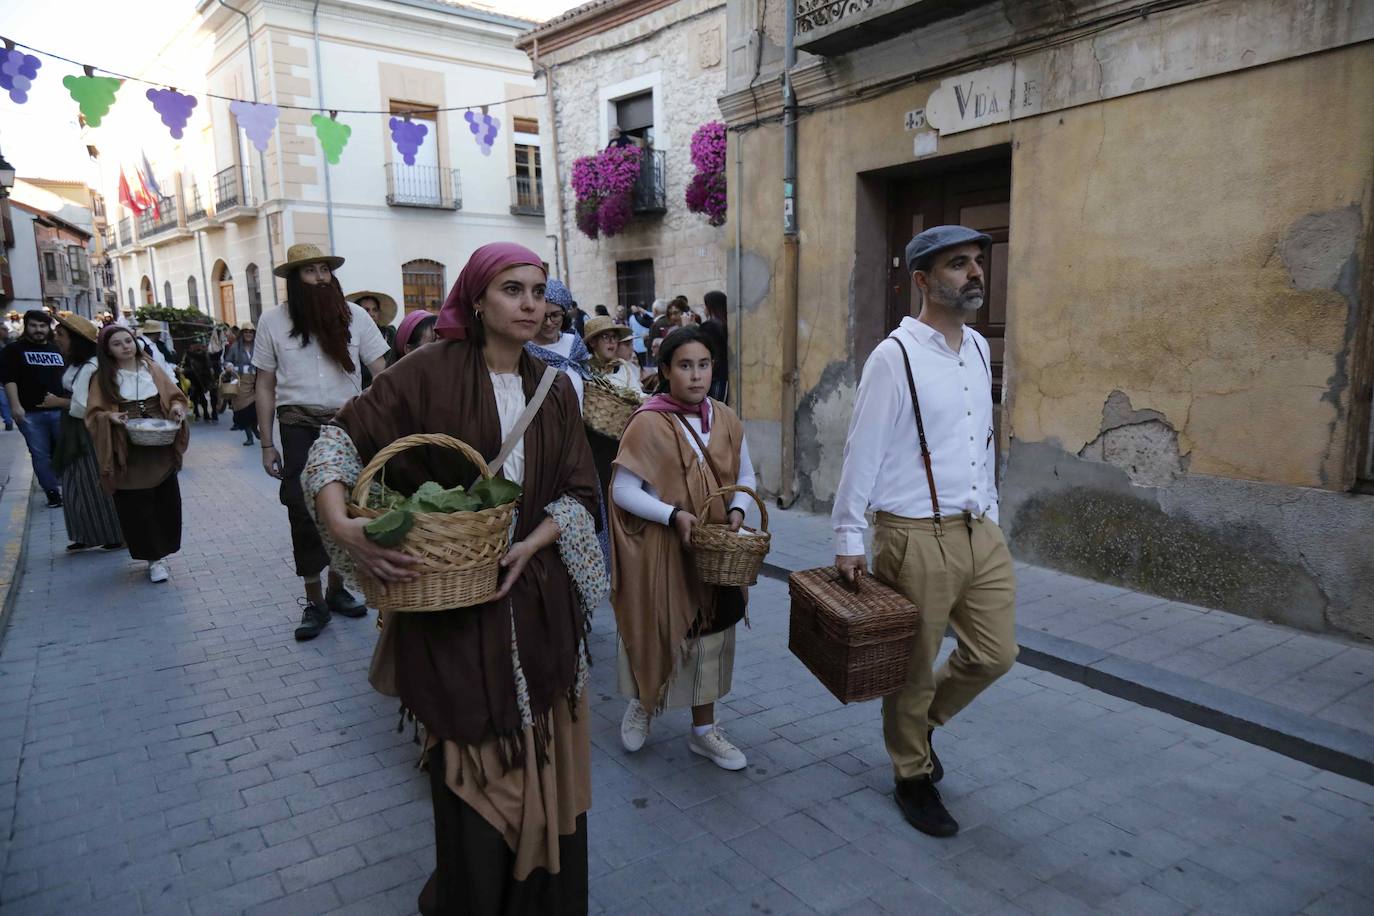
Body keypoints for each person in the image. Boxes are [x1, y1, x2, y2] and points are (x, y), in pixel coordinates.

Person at [303, 241, 606, 916]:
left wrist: (533, 542)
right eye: (512, 290)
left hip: (540, 603)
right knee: (470, 758)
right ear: (475, 298)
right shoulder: (425, 372)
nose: (530, 305)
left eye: (538, 291)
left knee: (543, 751)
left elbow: (581, 491)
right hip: (454, 605)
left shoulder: (555, 388)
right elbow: (338, 442)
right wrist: (342, 524)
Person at [831, 225, 1015, 839]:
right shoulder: (895, 356)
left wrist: (990, 510)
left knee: (995, 654)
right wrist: (848, 537)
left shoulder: (979, 347)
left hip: (978, 527)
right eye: (958, 264)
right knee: (912, 667)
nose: (975, 272)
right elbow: (862, 452)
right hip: (913, 532)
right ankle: (910, 773)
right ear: (922, 280)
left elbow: (980, 437)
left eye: (977, 261)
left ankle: (921, 726)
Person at [611, 325, 758, 771]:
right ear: (665, 371)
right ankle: (644, 702)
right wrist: (672, 516)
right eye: (685, 365)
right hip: (664, 551)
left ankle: (703, 731)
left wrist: (738, 511)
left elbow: (746, 476)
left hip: (714, 554)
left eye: (704, 365)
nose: (696, 375)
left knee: (709, 638)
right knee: (657, 630)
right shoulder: (647, 421)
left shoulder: (726, 418)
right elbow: (622, 490)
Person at [254, 243, 388, 641]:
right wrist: (266, 443)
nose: (320, 278)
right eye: (310, 271)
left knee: (346, 504)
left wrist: (379, 418)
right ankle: (314, 600)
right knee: (301, 507)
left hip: (346, 423)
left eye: (324, 270)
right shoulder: (272, 321)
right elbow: (264, 384)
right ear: (295, 279)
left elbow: (382, 370)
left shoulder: (355, 316)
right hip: (297, 423)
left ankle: (337, 588)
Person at [85, 325, 189, 583]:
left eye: (128, 340)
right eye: (117, 343)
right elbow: (93, 415)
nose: (125, 346)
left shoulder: (152, 368)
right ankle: (153, 559)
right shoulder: (102, 378)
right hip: (127, 449)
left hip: (159, 445)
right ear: (108, 350)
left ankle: (162, 552)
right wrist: (110, 417)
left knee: (164, 502)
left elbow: (175, 397)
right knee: (138, 507)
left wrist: (176, 409)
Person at [51, 313, 123, 552]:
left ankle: (111, 534)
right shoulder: (77, 365)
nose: (56, 339)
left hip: (88, 431)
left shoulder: (92, 367)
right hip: (74, 429)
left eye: (61, 335)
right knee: (75, 483)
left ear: (75, 340)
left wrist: (59, 403)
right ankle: (84, 533)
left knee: (93, 482)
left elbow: (88, 406)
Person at [1, 309, 67, 507]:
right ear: (26, 326)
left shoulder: (57, 349)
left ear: (48, 328)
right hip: (30, 413)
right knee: (40, 454)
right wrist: (15, 406)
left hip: (59, 410)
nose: (38, 330)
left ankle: (68, 486)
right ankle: (52, 493)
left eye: (42, 326)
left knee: (63, 451)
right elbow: (9, 380)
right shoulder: (14, 350)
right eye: (33, 325)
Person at [582, 315, 641, 496]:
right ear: (593, 342)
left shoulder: (625, 369)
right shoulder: (584, 370)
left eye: (614, 337)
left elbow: (638, 397)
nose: (612, 342)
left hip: (620, 438)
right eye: (605, 337)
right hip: (591, 440)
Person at [526, 278, 589, 404]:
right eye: (543, 316)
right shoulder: (525, 352)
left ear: (564, 314)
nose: (549, 323)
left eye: (555, 315)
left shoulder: (574, 344)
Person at [347, 290, 399, 380]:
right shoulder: (349, 337)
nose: (372, 314)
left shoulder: (389, 334)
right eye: (366, 310)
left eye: (375, 310)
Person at [222, 321, 259, 446]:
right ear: (242, 333)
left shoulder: (258, 346)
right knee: (243, 410)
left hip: (256, 381)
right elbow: (227, 361)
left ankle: (255, 428)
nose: (248, 334)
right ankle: (249, 437)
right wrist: (229, 366)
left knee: (257, 409)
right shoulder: (235, 347)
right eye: (246, 332)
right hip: (241, 381)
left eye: (251, 332)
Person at [701, 290, 730, 402]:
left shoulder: (710, 326)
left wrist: (688, 327)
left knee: (713, 407)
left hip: (715, 375)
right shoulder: (726, 324)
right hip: (723, 374)